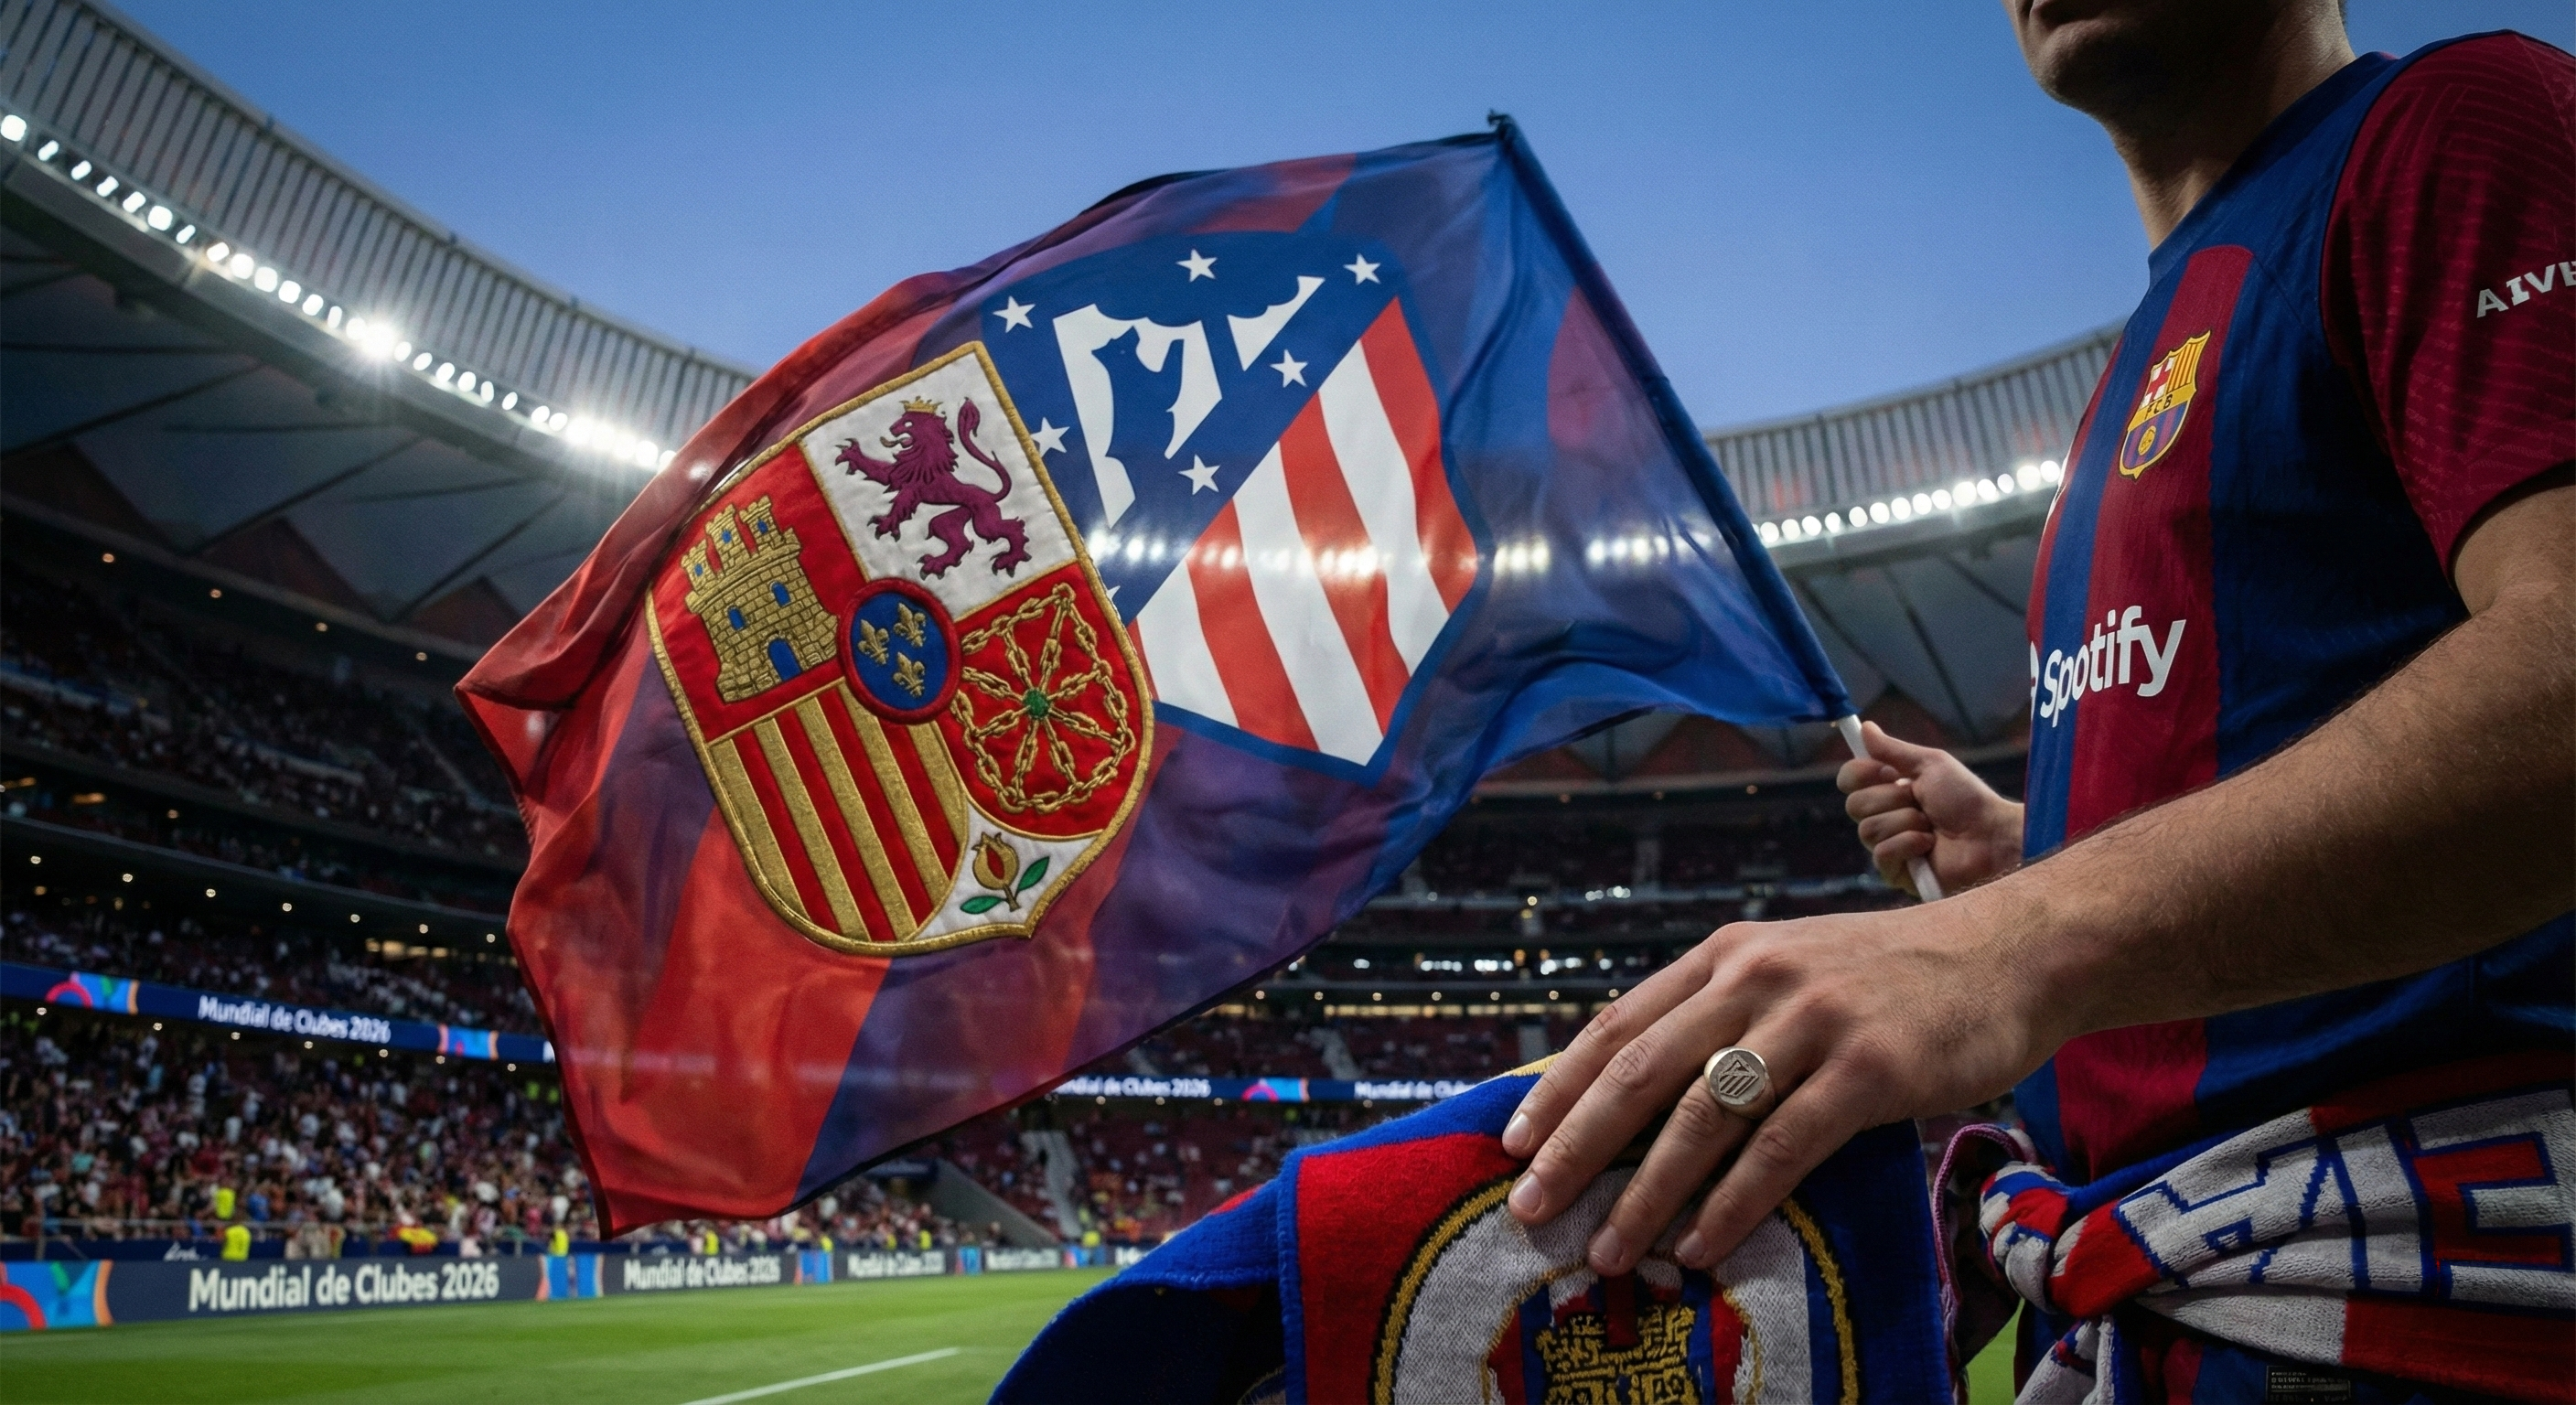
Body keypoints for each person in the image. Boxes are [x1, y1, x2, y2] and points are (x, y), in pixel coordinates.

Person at [1500, 0, 2571, 1394]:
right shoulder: (2139, 361)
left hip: (2428, 1297)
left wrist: (2005, 944)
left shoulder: (2460, 122)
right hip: (2180, 1295)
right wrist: (2030, 847)